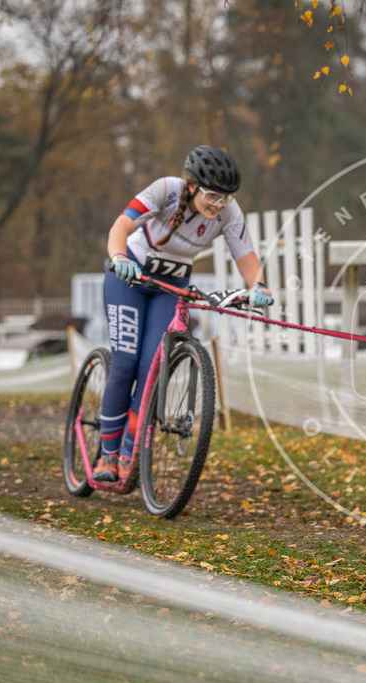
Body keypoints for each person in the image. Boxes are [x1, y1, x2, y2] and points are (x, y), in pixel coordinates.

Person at [94, 145, 274, 482]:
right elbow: (120, 226)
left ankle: (129, 453)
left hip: (171, 286)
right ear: (191, 186)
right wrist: (119, 257)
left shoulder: (228, 212)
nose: (219, 204)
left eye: (226, 197)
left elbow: (246, 255)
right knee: (126, 363)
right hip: (129, 278)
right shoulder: (165, 190)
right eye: (212, 195)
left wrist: (259, 286)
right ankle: (107, 454)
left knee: (150, 370)